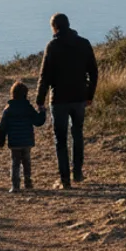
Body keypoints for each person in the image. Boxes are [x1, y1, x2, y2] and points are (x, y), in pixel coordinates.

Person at [34, 13, 99, 189]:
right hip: (79, 97)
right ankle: (77, 172)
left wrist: (39, 100)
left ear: (54, 27)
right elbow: (93, 72)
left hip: (59, 99)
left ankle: (65, 179)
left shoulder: (52, 46)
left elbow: (44, 75)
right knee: (77, 134)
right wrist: (89, 95)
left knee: (60, 139)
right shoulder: (84, 43)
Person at [0, 80, 47, 192]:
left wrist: (1, 140)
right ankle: (28, 182)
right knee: (26, 162)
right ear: (26, 94)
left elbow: (3, 127)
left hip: (14, 142)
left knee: (15, 163)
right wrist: (43, 112)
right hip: (27, 141)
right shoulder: (28, 108)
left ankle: (15, 185)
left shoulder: (8, 110)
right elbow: (38, 121)